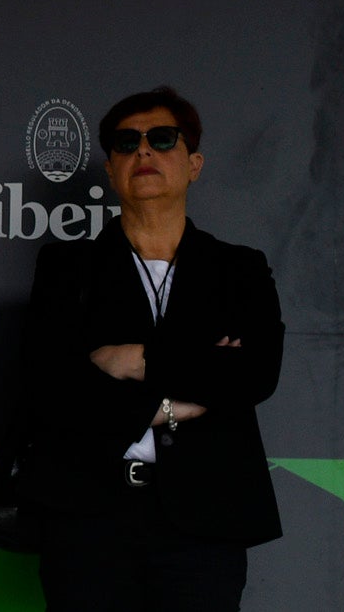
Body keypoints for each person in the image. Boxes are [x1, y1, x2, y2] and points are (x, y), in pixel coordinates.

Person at [20, 87, 283, 611]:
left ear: (194, 164)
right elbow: (54, 388)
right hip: (87, 518)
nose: (143, 150)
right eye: (126, 142)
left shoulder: (240, 269)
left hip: (207, 521)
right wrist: (176, 402)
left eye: (162, 139)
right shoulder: (67, 269)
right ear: (110, 169)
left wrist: (135, 360)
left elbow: (253, 373)